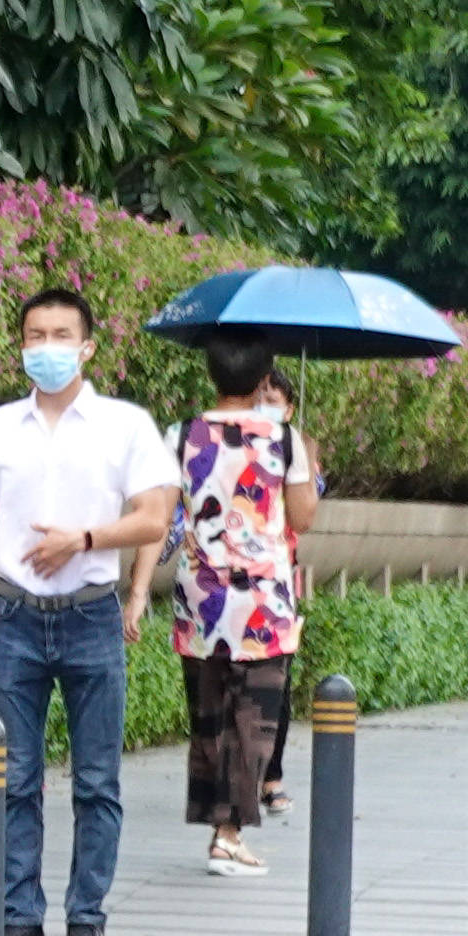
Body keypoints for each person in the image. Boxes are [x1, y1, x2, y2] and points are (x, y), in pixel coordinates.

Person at [0, 286, 176, 936]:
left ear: (88, 346)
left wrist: (82, 538)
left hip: (91, 617)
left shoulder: (125, 426)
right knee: (12, 779)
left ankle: (87, 915)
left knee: (97, 779)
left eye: (60, 335)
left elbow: (153, 520)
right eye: (34, 336)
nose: (46, 348)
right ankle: (19, 915)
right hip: (14, 616)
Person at [165, 341, 317, 879]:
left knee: (209, 714)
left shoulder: (181, 435)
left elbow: (164, 515)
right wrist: (306, 460)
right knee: (254, 716)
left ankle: (219, 829)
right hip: (262, 602)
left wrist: (139, 591)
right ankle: (228, 836)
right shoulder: (286, 439)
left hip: (200, 598)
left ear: (210, 374)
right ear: (262, 383)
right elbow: (303, 516)